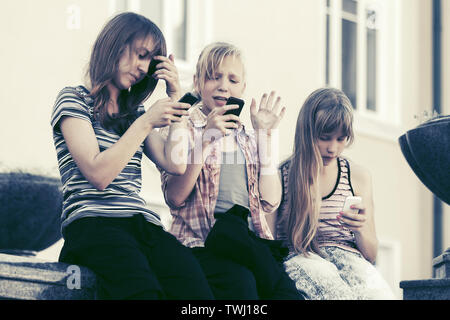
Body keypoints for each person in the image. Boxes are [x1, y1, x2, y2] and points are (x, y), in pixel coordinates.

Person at [50, 12, 214, 300]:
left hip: (141, 225)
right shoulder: (74, 99)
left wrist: (175, 96)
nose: (142, 68)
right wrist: (146, 121)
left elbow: (174, 163)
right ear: (114, 44)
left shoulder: (133, 113)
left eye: (149, 62)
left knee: (195, 288)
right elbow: (98, 175)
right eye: (139, 55)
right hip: (93, 224)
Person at [157, 42, 303, 300]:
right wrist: (206, 140)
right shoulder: (183, 128)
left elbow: (270, 201)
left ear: (242, 88)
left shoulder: (247, 138)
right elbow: (175, 197)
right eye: (214, 77)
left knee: (289, 293)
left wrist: (265, 136)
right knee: (242, 283)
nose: (224, 85)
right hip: (201, 243)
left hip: (246, 244)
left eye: (233, 79)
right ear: (198, 82)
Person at [275, 87, 396, 299]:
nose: (333, 148)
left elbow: (371, 254)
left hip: (350, 259)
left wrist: (358, 229)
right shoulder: (283, 175)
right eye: (325, 138)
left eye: (341, 139)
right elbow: (272, 240)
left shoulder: (357, 175)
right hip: (304, 257)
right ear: (308, 133)